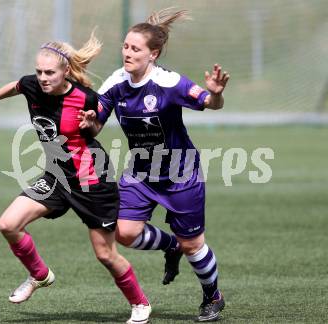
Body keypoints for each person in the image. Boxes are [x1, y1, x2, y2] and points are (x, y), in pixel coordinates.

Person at [0, 31, 151, 324]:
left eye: (50, 73)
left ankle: (140, 303)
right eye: (39, 72)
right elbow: (16, 85)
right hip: (57, 176)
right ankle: (39, 275)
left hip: (92, 182)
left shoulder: (84, 98)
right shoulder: (33, 85)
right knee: (8, 224)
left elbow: (94, 132)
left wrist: (91, 123)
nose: (43, 78)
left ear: (65, 72)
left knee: (106, 255)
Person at [78, 8, 230, 322]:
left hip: (180, 173)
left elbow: (208, 102)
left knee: (194, 245)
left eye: (135, 49)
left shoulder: (169, 82)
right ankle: (170, 244)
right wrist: (90, 122)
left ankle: (212, 296)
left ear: (153, 54)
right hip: (141, 172)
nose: (127, 53)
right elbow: (95, 126)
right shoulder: (116, 83)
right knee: (124, 233)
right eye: (125, 46)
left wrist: (216, 94)